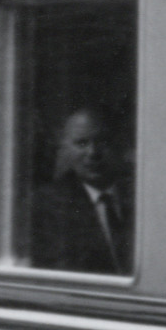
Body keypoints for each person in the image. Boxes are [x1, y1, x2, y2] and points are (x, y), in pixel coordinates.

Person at [23, 104, 130, 273]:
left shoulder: (137, 195)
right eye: (82, 143)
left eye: (102, 141)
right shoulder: (48, 204)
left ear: (119, 145)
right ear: (66, 149)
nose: (93, 153)